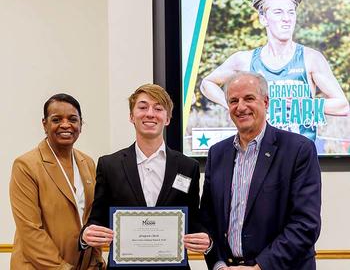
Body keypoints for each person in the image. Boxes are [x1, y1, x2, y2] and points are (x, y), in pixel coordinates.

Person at [200, 71, 322, 270]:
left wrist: (259, 267)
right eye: (233, 101)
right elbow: (208, 219)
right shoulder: (217, 153)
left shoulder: (299, 149)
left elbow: (305, 224)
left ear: (266, 102)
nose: (240, 107)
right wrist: (219, 265)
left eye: (249, 98)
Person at [80, 84, 210, 269]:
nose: (150, 113)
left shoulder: (188, 167)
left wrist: (206, 239)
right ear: (132, 116)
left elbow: (193, 220)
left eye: (158, 108)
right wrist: (86, 236)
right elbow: (97, 219)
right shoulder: (109, 165)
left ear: (167, 118)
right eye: (142, 107)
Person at [200, 0, 349, 141]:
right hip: (260, 153)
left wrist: (301, 105)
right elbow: (207, 84)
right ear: (263, 19)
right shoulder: (245, 59)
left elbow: (343, 106)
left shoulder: (310, 58)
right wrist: (235, 106)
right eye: (278, 12)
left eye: (291, 12)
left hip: (301, 154)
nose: (286, 19)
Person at [9, 93, 104, 269]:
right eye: (56, 119)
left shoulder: (88, 163)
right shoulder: (26, 165)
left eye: (73, 119)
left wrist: (96, 262)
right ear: (44, 124)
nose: (66, 125)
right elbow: (30, 231)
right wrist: (62, 268)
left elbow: (93, 220)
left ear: (81, 125)